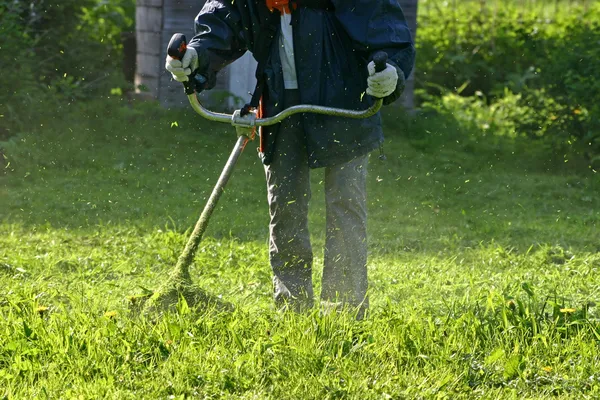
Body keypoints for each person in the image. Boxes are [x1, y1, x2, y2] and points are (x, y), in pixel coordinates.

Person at [166, 0, 415, 317]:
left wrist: (391, 71)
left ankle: (345, 307)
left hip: (346, 101)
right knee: (286, 207)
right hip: (279, 101)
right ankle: (292, 306)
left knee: (345, 203)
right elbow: (223, 19)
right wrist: (196, 56)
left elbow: (385, 28)